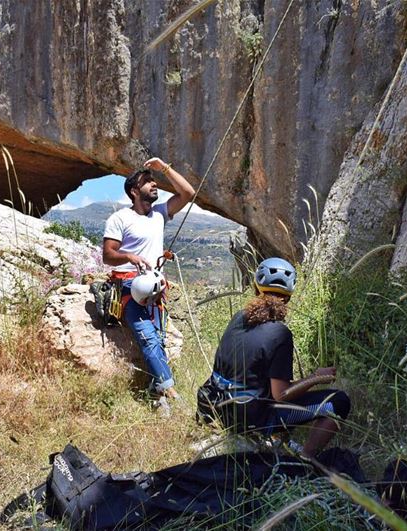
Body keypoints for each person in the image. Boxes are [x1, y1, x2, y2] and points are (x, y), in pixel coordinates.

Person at [198, 257, 350, 458]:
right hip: (251, 417)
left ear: (256, 288)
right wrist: (317, 377)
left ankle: (277, 441)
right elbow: (282, 395)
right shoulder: (280, 334)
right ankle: (306, 460)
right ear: (288, 296)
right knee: (339, 402)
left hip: (214, 406)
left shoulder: (238, 318)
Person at [102, 157, 195, 409]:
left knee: (158, 338)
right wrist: (129, 256)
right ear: (134, 191)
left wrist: (164, 167)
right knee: (147, 337)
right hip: (129, 287)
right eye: (147, 181)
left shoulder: (160, 215)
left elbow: (188, 192)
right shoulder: (120, 219)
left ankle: (157, 394)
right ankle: (172, 392)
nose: (154, 184)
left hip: (155, 288)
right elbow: (108, 255)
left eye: (154, 181)